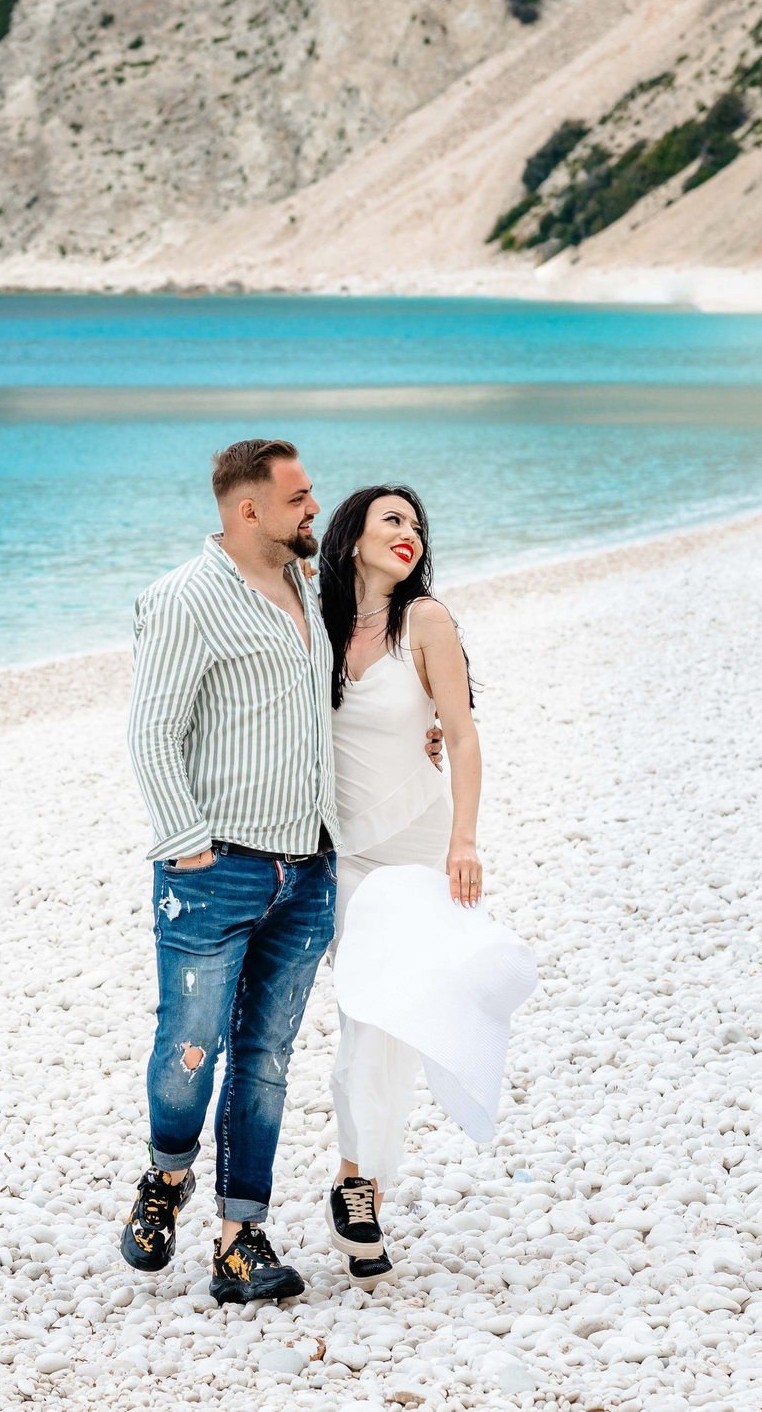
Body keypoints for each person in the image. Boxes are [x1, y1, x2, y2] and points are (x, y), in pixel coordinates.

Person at [117, 438, 338, 1304]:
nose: (314, 507)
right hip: (214, 871)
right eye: (299, 496)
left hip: (309, 867)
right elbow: (152, 727)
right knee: (190, 1047)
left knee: (266, 1058)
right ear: (249, 509)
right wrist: (186, 839)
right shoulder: (185, 598)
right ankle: (165, 1175)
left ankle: (238, 1240)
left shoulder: (305, 586)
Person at [315, 484, 483, 1287]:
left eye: (416, 523)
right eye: (393, 519)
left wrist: (464, 841)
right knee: (362, 1013)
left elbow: (463, 736)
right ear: (353, 536)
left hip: (415, 846)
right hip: (344, 852)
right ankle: (359, 1184)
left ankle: (362, 1188)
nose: (410, 531)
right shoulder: (315, 625)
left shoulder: (426, 621)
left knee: (392, 1018)